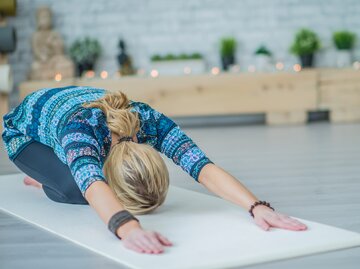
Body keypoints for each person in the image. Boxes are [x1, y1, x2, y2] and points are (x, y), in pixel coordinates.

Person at [1, 86, 307, 255]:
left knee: (84, 173)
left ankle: (58, 167)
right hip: (24, 134)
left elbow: (203, 167)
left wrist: (256, 207)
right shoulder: (79, 132)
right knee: (75, 187)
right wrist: (127, 227)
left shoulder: (149, 122)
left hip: (68, 113)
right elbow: (93, 184)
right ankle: (43, 177)